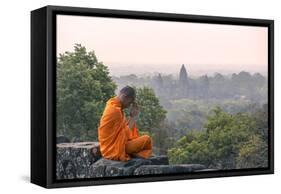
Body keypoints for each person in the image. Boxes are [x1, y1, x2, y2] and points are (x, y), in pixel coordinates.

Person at [97, 86, 153, 161]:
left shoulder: (112, 104)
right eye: (129, 103)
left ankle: (133, 152)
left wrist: (131, 116)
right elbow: (124, 134)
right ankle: (134, 153)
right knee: (147, 139)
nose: (128, 105)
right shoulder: (115, 111)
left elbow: (121, 130)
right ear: (125, 97)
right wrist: (133, 118)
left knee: (141, 139)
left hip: (110, 146)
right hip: (114, 148)